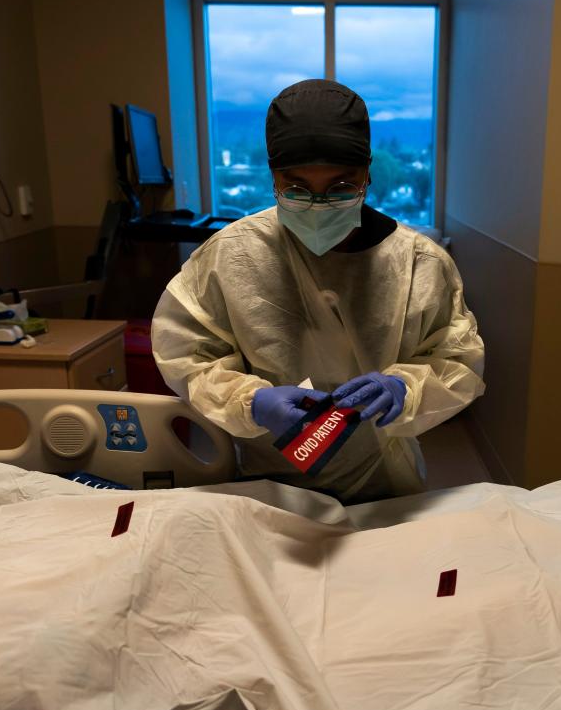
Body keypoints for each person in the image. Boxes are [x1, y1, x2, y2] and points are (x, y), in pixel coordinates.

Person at [152, 79, 484, 503]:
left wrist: (406, 388)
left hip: (383, 481)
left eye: (341, 188)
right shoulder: (230, 257)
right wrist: (252, 402)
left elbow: (457, 359)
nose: (318, 205)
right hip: (270, 483)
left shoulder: (419, 264)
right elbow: (188, 355)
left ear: (367, 174)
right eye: (297, 188)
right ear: (273, 178)